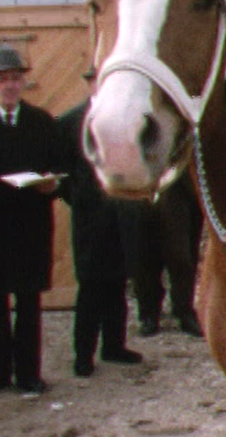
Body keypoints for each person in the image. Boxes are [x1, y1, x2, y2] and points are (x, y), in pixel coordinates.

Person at [0, 44, 62, 397]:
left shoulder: (41, 122)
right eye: (1, 80)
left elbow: (58, 165)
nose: (9, 85)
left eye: (15, 79)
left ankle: (28, 374)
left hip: (29, 225)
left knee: (29, 302)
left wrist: (51, 184)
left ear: (23, 84)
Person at [57, 69, 143, 377]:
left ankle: (114, 346)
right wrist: (81, 198)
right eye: (99, 80)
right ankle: (83, 354)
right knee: (91, 286)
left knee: (118, 282)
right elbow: (61, 172)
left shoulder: (127, 118)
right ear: (90, 83)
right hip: (90, 219)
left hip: (122, 214)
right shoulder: (70, 122)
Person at [126, 171, 204, 338]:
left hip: (181, 188)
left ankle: (184, 310)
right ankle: (149, 313)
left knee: (182, 256)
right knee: (145, 256)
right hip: (144, 187)